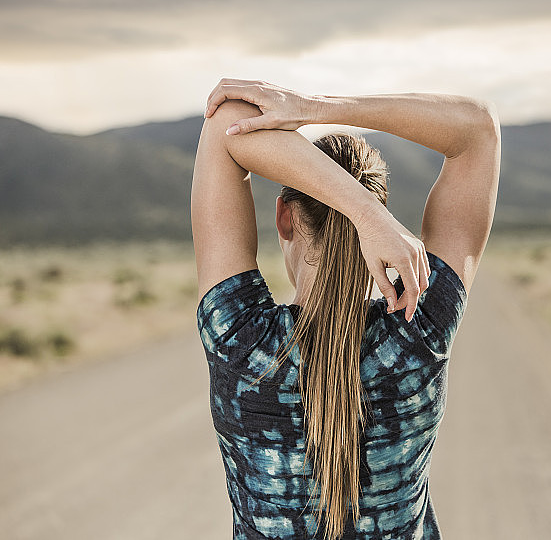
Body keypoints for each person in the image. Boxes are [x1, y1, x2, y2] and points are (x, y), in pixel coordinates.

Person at [191, 79, 501, 540]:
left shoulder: (239, 338)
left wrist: (362, 213)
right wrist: (313, 109)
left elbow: (226, 122)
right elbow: (478, 130)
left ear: (284, 217)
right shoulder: (419, 329)